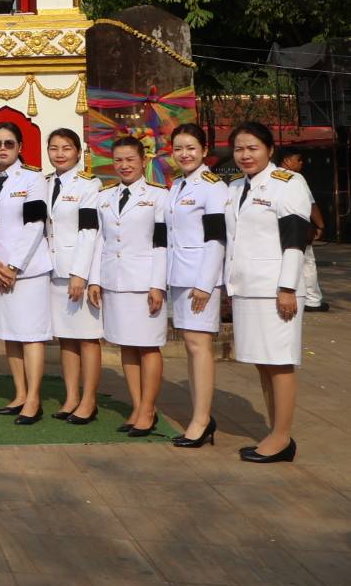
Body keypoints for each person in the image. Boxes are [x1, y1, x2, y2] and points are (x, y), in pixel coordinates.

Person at [226, 121, 313, 463]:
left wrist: (288, 287)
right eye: (239, 149)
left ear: (270, 149)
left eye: (253, 148)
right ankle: (276, 431)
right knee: (263, 363)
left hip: (277, 288)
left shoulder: (289, 183)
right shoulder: (234, 187)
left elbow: (294, 240)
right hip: (248, 287)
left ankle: (281, 436)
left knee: (279, 362)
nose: (245, 155)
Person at [90, 137, 169, 438]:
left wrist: (157, 285)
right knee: (126, 345)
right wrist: (96, 279)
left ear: (143, 161)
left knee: (148, 345)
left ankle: (148, 409)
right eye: (119, 160)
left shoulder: (158, 197)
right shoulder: (105, 196)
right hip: (115, 280)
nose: (124, 166)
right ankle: (137, 406)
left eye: (130, 160)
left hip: (144, 281)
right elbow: (100, 240)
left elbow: (162, 243)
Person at [0, 124, 53, 424]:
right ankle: (20, 393)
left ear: (20, 146)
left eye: (9, 143)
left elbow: (35, 225)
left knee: (31, 335)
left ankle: (34, 398)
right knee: (10, 334)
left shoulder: (33, 178)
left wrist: (13, 265)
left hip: (28, 269)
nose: (3, 148)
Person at [166, 124, 228, 449]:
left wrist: (205, 283)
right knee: (190, 346)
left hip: (200, 279)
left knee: (199, 346)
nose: (184, 154)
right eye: (178, 148)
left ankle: (201, 421)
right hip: (179, 277)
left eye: (191, 147)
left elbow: (217, 238)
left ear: (204, 150)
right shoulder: (177, 185)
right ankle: (200, 414)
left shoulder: (212, 187)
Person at [44, 128, 103, 425]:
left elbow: (89, 231)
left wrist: (81, 273)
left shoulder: (89, 185)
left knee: (88, 338)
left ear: (78, 152)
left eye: (66, 148)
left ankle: (89, 400)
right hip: (53, 271)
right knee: (66, 338)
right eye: (53, 148)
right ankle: (71, 397)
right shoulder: (43, 184)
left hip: (79, 271)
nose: (60, 154)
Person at [278, 148, 327, 312]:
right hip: (297, 226)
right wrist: (320, 224)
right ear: (286, 160)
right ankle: (312, 300)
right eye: (298, 159)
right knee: (307, 262)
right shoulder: (295, 177)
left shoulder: (269, 176)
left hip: (276, 227)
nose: (301, 163)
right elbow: (310, 203)